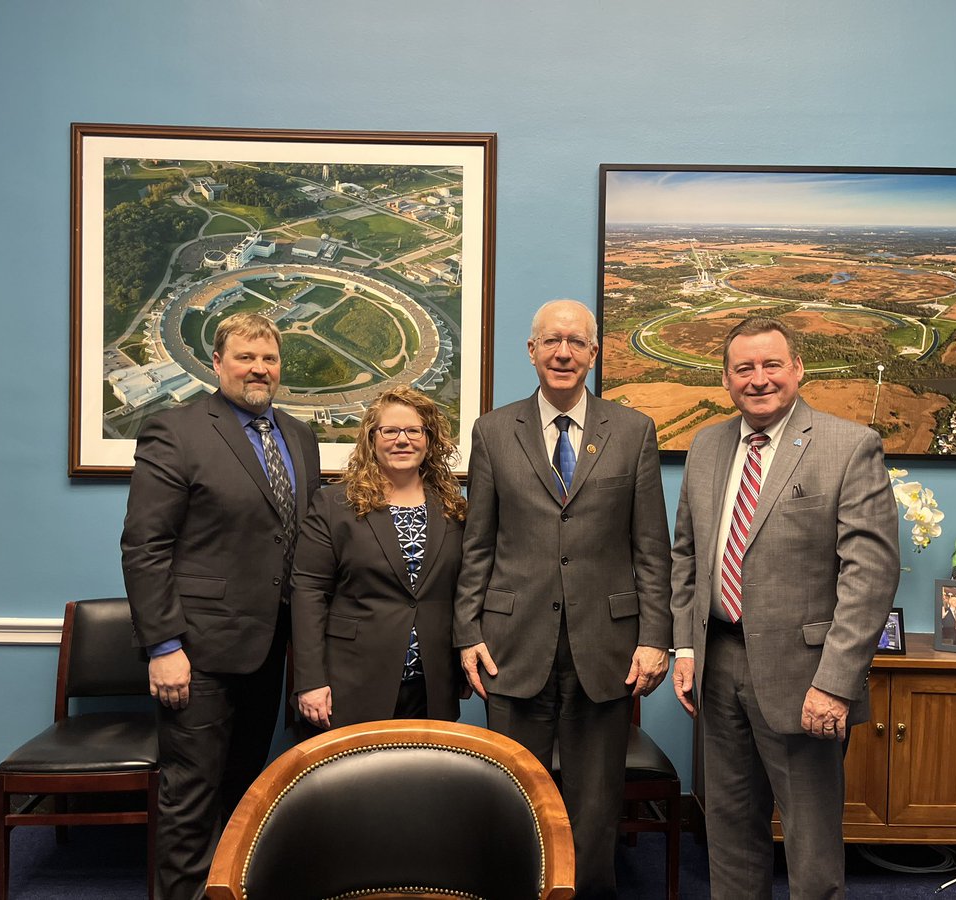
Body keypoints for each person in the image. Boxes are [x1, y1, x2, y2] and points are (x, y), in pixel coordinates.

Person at [670, 316, 899, 899]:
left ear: (798, 369)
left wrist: (837, 683)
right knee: (728, 828)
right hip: (718, 665)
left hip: (806, 678)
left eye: (772, 364)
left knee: (810, 841)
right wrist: (686, 646)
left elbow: (869, 577)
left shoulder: (848, 446)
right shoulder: (706, 446)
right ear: (726, 379)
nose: (759, 379)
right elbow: (687, 556)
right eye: (744, 368)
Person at [454, 299, 672, 899]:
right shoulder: (494, 431)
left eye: (576, 342)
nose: (563, 353)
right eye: (551, 341)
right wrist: (467, 634)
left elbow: (651, 547)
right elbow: (479, 543)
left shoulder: (633, 431)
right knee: (512, 798)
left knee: (594, 810)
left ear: (594, 354)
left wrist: (656, 638)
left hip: (605, 648)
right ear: (531, 351)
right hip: (512, 644)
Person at [121, 312, 321, 900]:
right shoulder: (176, 430)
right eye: (245, 358)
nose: (259, 369)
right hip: (197, 655)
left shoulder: (299, 438)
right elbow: (145, 545)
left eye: (270, 359)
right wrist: (163, 646)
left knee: (241, 794)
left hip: (269, 653)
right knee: (190, 799)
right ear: (216, 363)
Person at [292, 386, 466, 730]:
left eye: (414, 430)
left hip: (431, 688)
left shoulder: (453, 507)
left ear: (428, 439)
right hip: (352, 685)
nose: (403, 440)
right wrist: (310, 680)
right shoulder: (334, 505)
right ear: (372, 439)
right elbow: (308, 591)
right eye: (390, 431)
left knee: (424, 783)